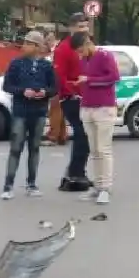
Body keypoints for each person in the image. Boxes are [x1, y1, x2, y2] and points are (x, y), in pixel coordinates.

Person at [0, 30, 57, 199]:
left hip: (39, 112)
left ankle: (31, 184)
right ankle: (8, 185)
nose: (23, 46)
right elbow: (7, 86)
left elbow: (54, 88)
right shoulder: (16, 64)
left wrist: (44, 93)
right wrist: (23, 91)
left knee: (34, 148)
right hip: (20, 112)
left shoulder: (46, 66)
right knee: (16, 147)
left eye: (27, 43)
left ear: (37, 47)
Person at [74, 32, 120, 205]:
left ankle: (106, 188)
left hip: (104, 107)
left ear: (87, 43)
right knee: (94, 150)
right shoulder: (84, 60)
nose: (80, 55)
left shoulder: (105, 55)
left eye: (80, 50)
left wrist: (89, 80)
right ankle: (98, 185)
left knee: (104, 149)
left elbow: (114, 77)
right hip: (87, 107)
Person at [53, 14, 91, 190]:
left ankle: (78, 172)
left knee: (86, 136)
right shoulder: (64, 48)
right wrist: (72, 92)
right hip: (71, 99)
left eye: (86, 26)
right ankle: (74, 173)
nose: (84, 30)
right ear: (71, 28)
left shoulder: (87, 46)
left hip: (88, 97)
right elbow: (60, 78)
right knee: (82, 135)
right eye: (80, 26)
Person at [43, 31, 68, 145]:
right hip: (61, 84)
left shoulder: (54, 51)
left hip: (56, 84)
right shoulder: (58, 49)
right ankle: (62, 135)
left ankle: (53, 136)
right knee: (59, 111)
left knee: (55, 111)